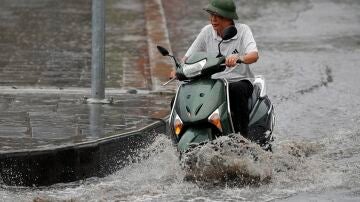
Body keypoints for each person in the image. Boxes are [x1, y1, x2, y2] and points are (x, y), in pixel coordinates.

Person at [171, 0, 259, 137]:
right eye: (211, 15)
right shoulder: (207, 32)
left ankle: (243, 137)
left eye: (218, 16)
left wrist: (239, 58)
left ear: (229, 18)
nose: (213, 20)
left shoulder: (243, 30)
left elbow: (254, 55)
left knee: (237, 91)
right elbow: (188, 57)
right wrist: (179, 70)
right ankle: (178, 135)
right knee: (180, 97)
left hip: (239, 81)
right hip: (212, 83)